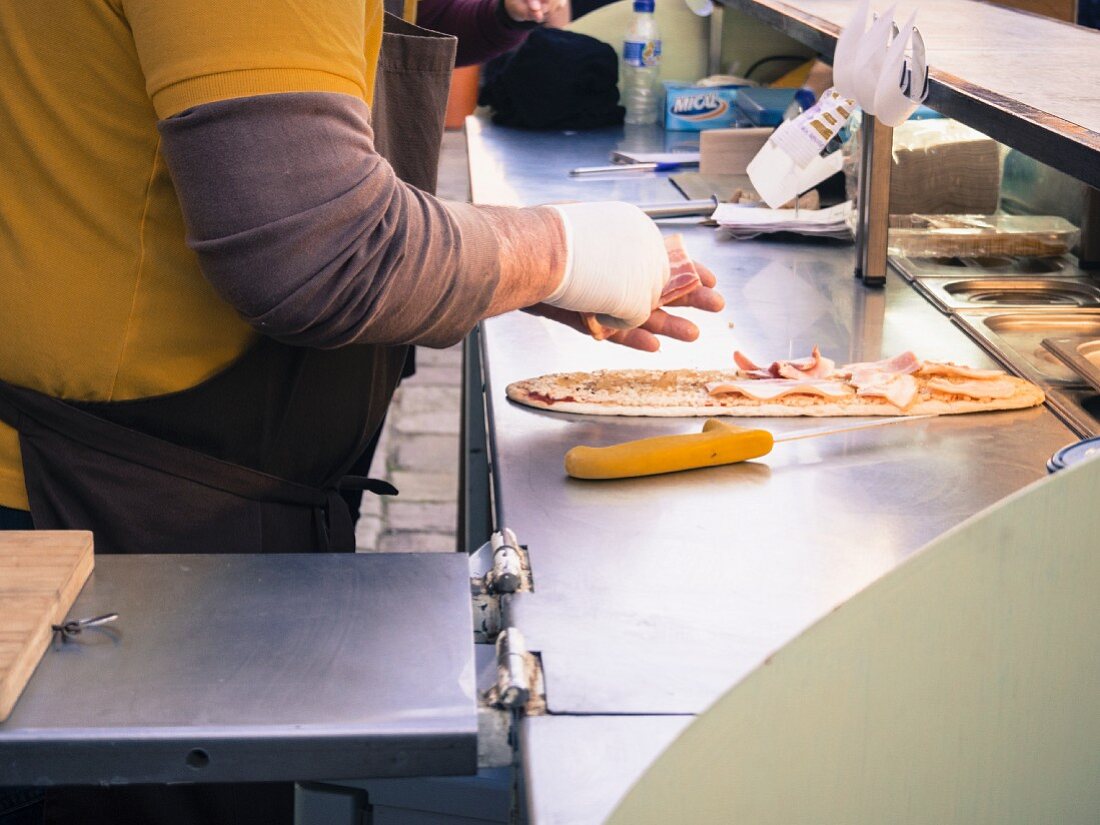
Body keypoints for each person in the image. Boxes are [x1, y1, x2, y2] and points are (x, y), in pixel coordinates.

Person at [0, 0, 722, 821]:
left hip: (177, 498)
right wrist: (560, 252)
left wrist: (515, 270)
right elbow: (320, 247)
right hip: (88, 514)